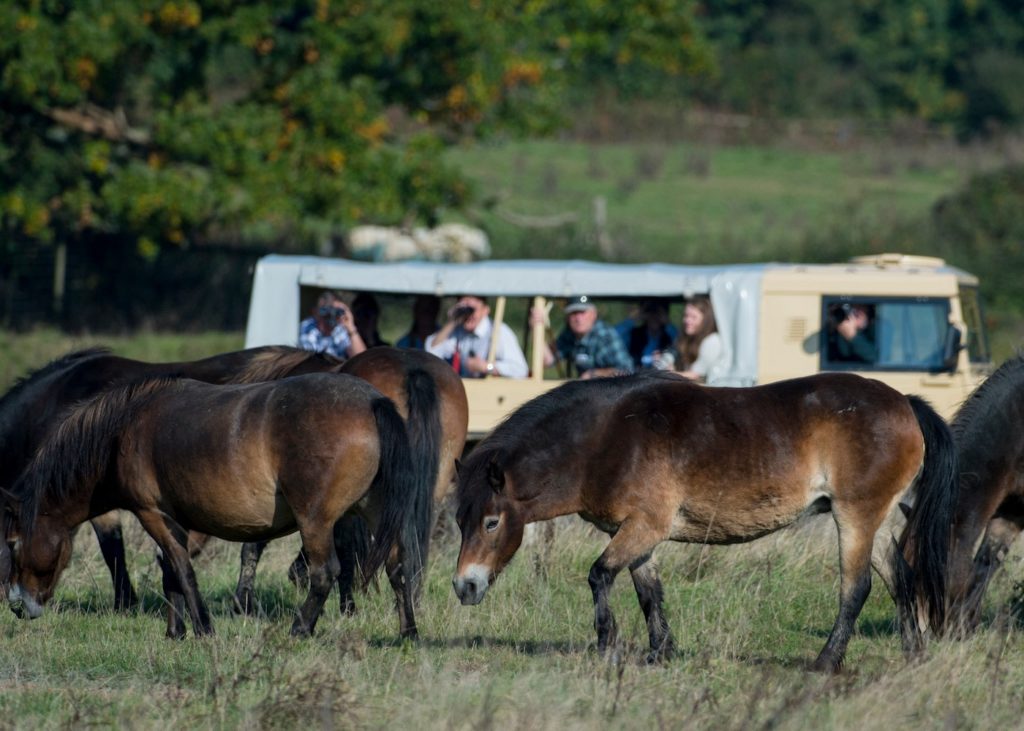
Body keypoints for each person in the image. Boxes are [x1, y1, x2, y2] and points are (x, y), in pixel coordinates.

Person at [531, 295, 634, 379]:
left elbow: (627, 371)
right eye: (574, 313)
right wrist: (536, 328)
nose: (578, 318)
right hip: (585, 393)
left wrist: (594, 374)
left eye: (582, 312)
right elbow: (547, 360)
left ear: (593, 314)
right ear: (567, 317)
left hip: (610, 394)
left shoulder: (605, 335)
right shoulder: (569, 334)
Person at [426, 295, 528, 378]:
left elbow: (520, 370)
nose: (468, 315)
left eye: (472, 310)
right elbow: (431, 350)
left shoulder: (499, 331)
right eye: (464, 310)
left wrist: (487, 367)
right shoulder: (459, 331)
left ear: (485, 310)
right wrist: (453, 321)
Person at [298, 291, 366, 358]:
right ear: (315, 311)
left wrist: (351, 327)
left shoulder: (340, 330)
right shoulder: (306, 327)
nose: (330, 314)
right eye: (324, 310)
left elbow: (361, 359)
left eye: (335, 311)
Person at [674, 295, 726, 382]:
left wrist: (665, 374)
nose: (687, 320)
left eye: (693, 317)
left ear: (705, 320)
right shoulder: (687, 340)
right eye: (686, 316)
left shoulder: (712, 341)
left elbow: (695, 375)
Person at [626, 298, 678, 370]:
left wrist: (667, 322)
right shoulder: (635, 334)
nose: (654, 317)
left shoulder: (669, 336)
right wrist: (636, 317)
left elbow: (680, 339)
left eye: (658, 314)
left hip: (660, 377)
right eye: (650, 312)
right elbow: (615, 334)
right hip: (637, 377)